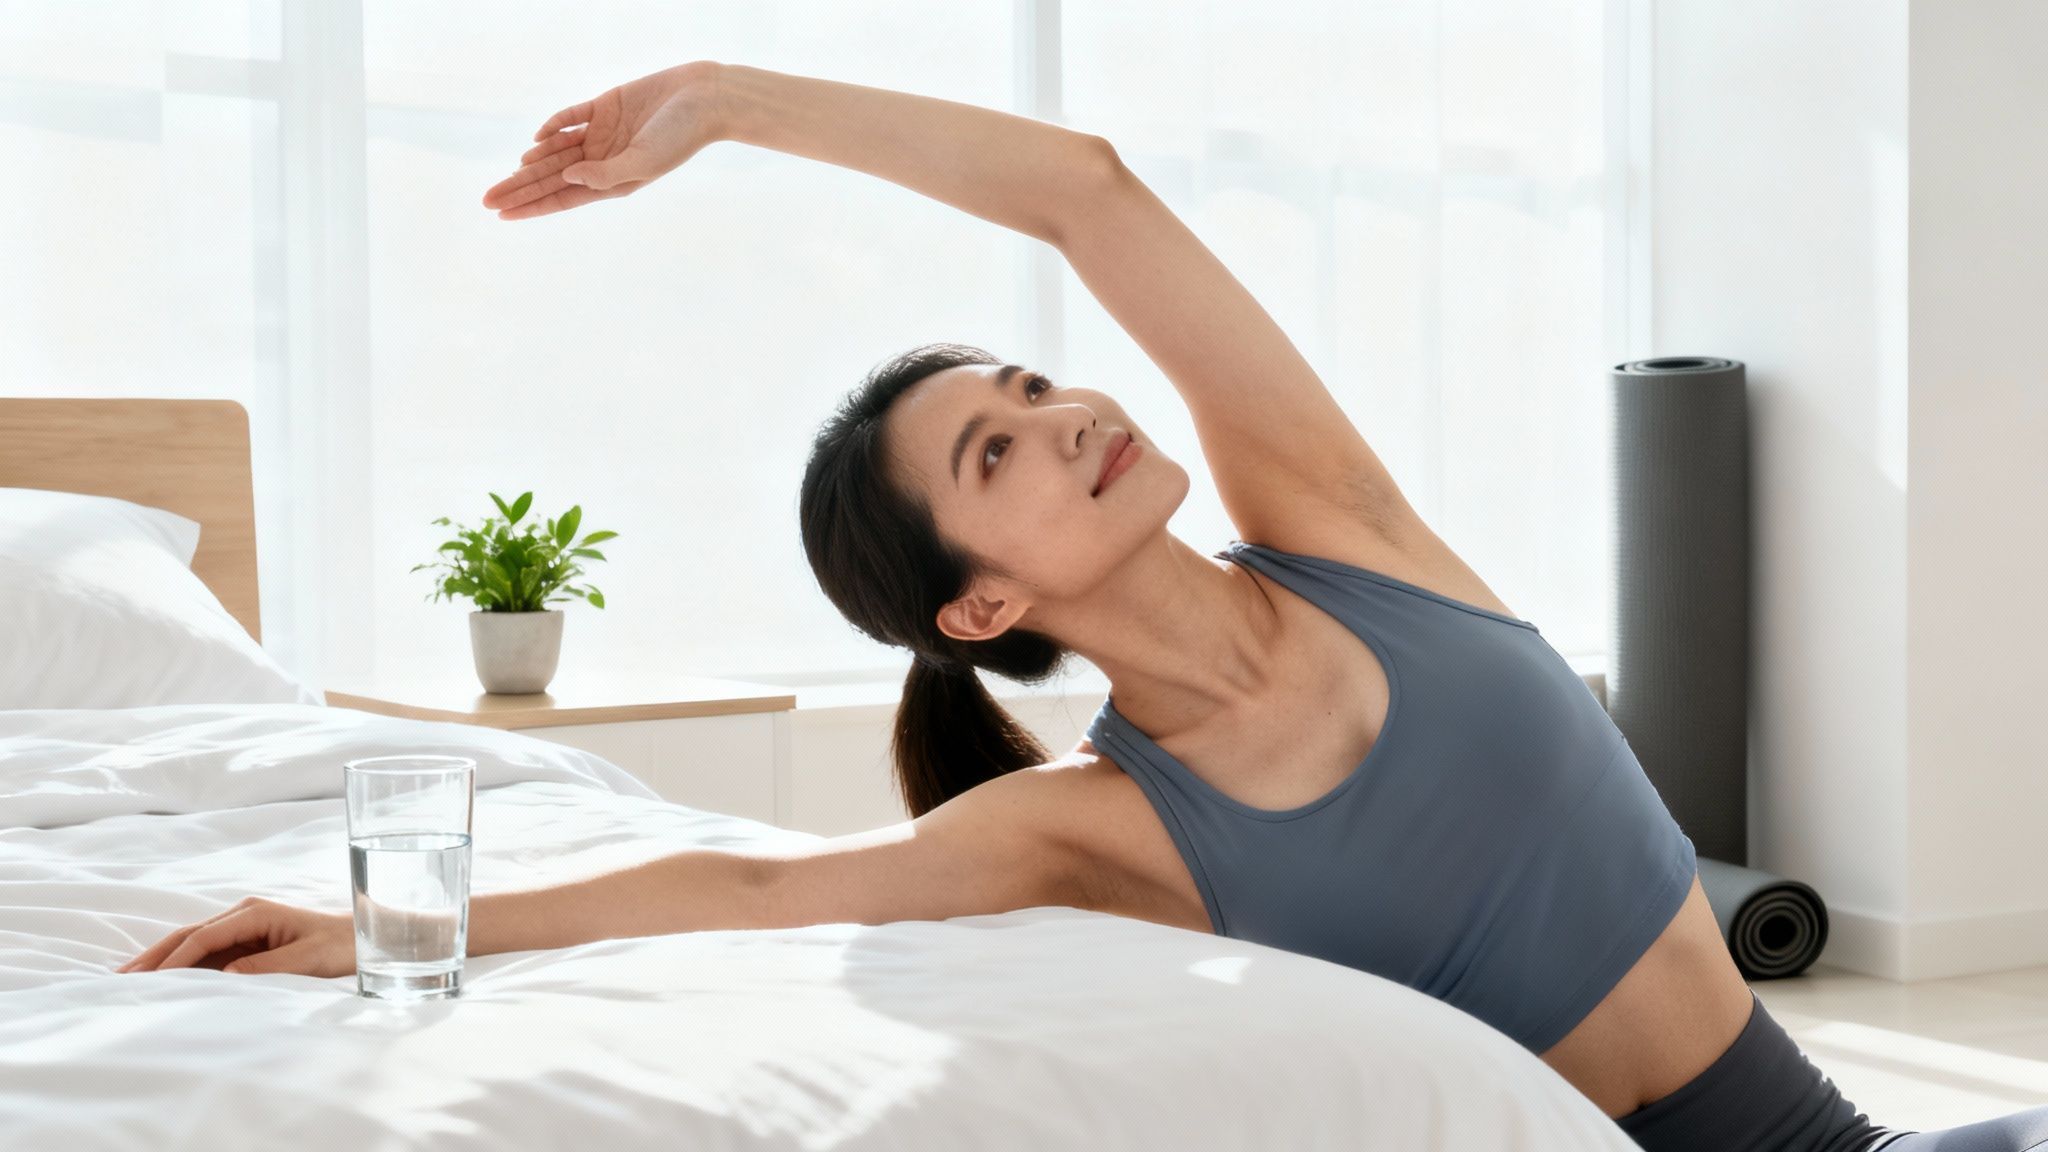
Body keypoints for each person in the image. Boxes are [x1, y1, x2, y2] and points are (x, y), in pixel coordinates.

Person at [118, 61, 2048, 1152]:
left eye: (1033, 392)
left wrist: (721, 101)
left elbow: (1094, 195)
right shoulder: (1098, 824)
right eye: (995, 457)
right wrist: (374, 923)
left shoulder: (1348, 534)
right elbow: (767, 893)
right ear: (979, 611)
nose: (1068, 417)